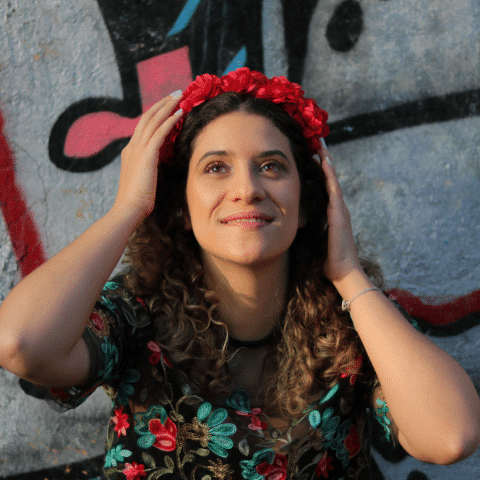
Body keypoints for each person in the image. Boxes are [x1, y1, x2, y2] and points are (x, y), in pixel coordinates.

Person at [1, 68, 479, 480]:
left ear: (307, 202)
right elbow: (19, 343)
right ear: (180, 206)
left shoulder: (357, 323)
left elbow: (451, 436)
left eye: (271, 166)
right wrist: (127, 208)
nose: (247, 189)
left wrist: (349, 274)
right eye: (216, 168)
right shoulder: (135, 314)